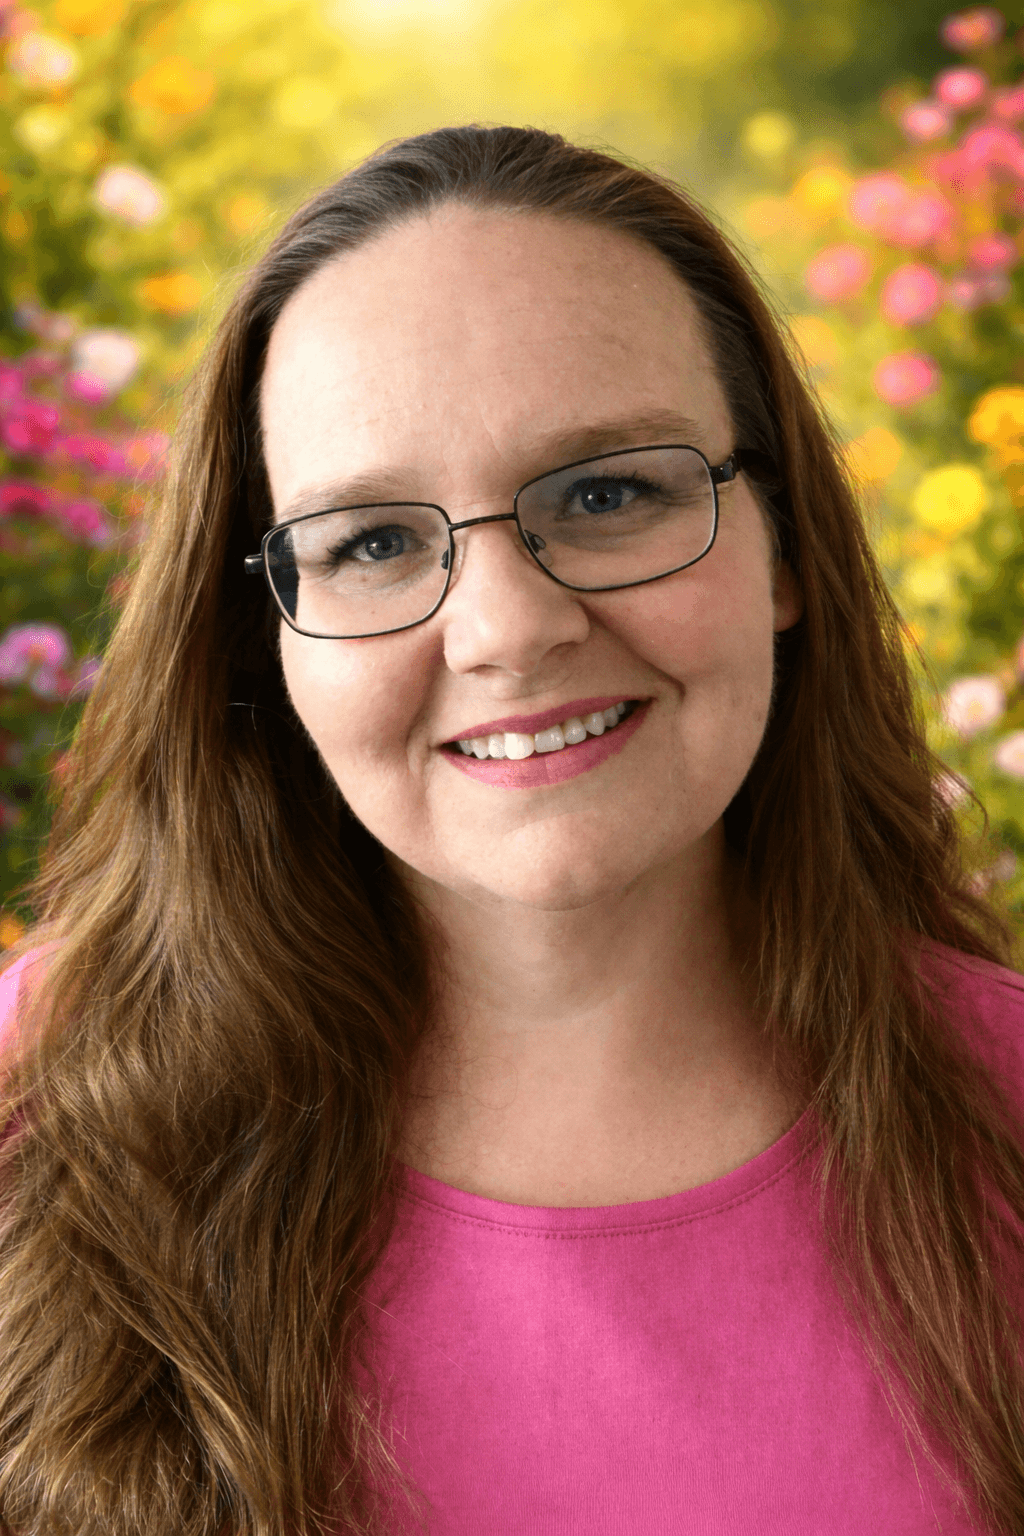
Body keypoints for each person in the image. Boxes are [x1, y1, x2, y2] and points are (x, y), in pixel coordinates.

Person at [1, 124, 1023, 1536]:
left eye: (607, 494)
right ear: (263, 637)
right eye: (371, 541)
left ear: (783, 547)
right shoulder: (30, 1118)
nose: (508, 629)